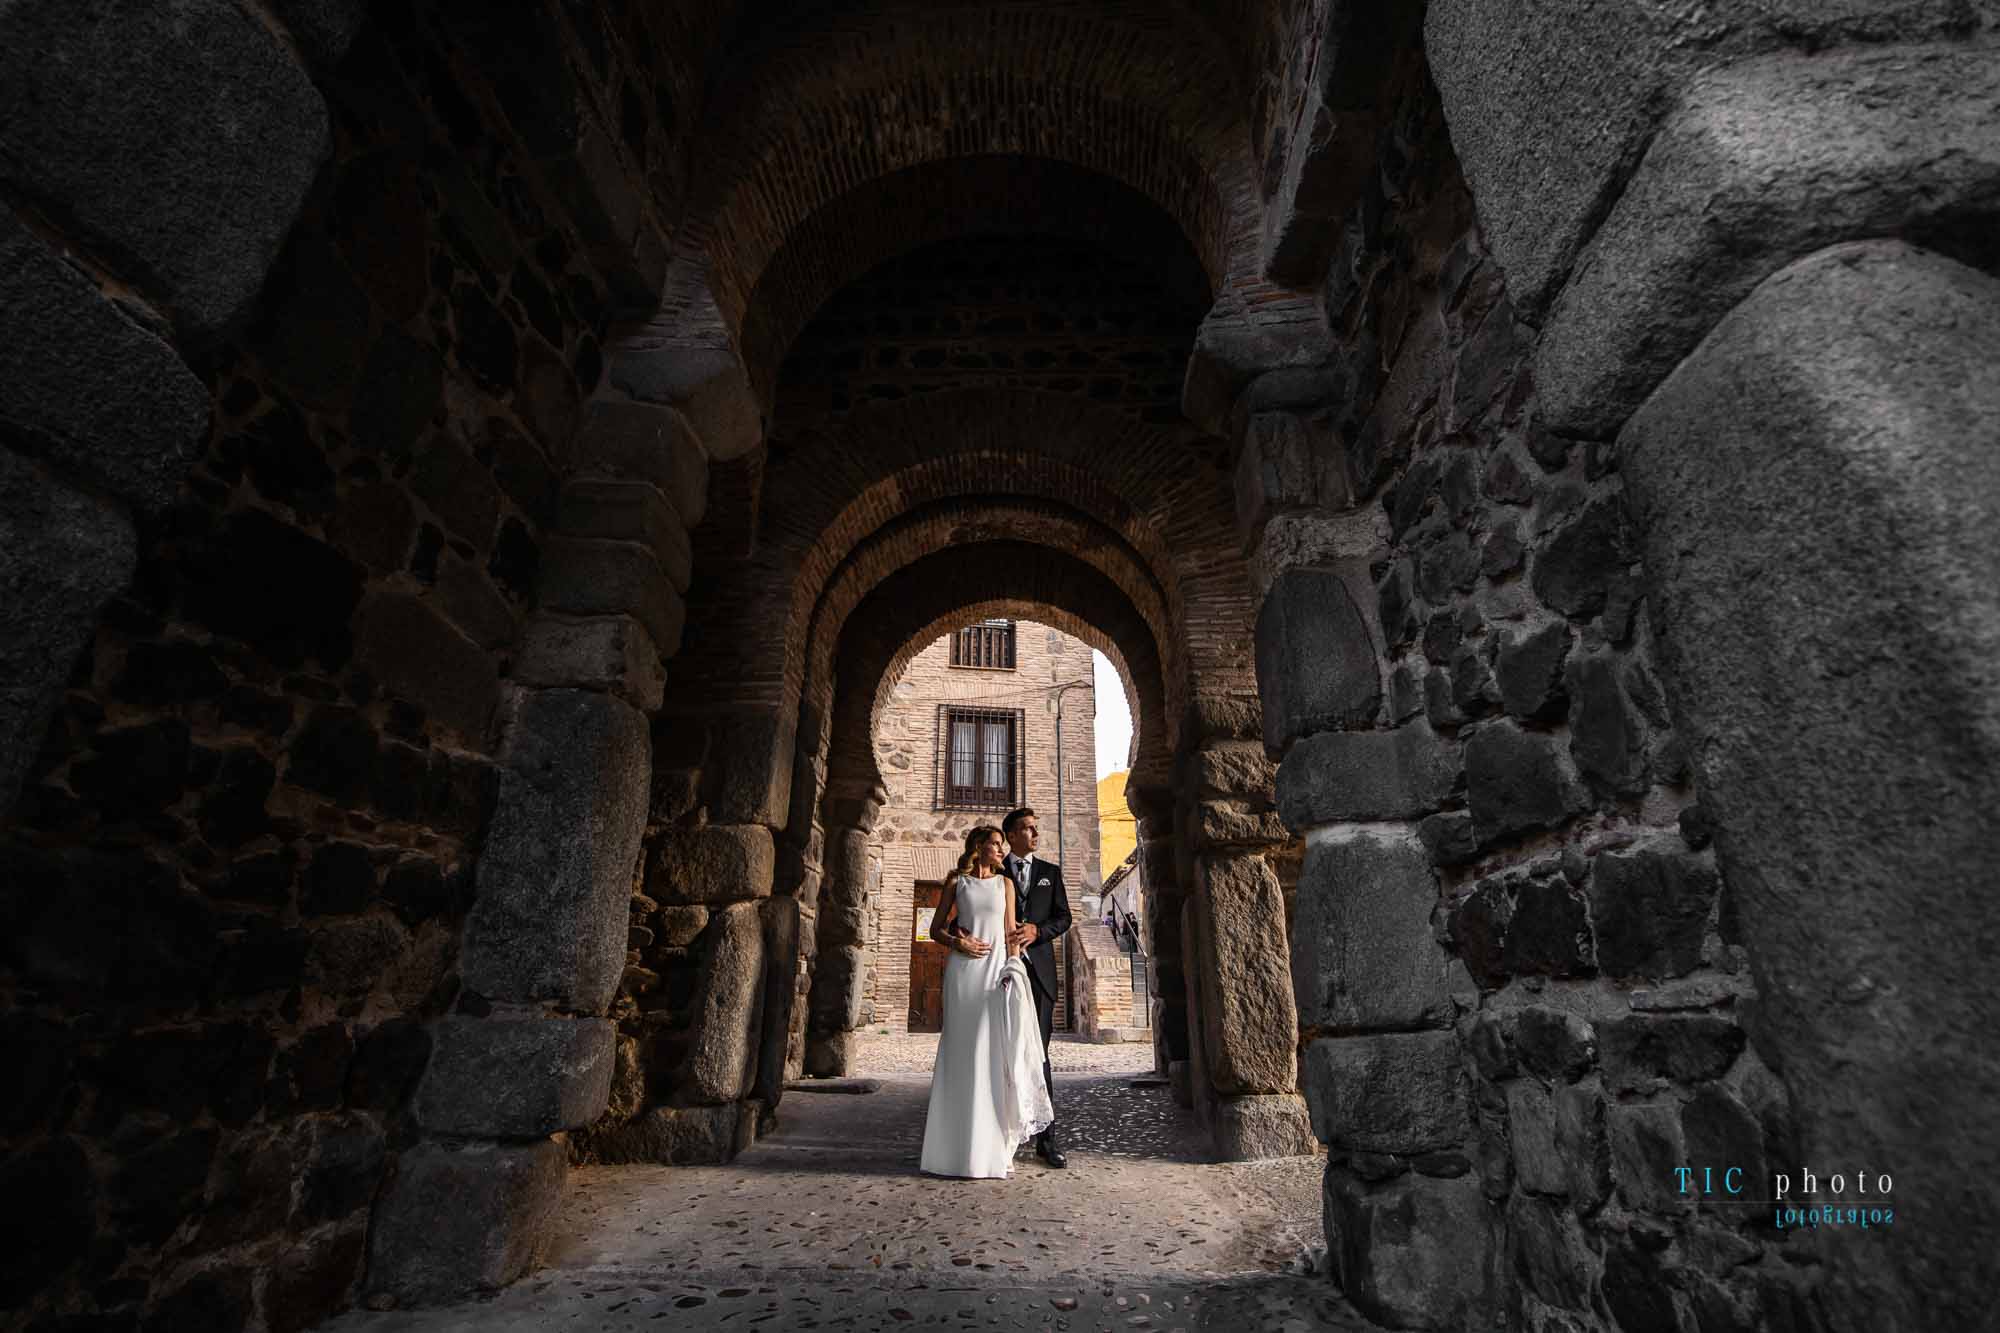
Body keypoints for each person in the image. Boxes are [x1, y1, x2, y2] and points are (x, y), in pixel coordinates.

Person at [918, 825, 1054, 1178]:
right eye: (995, 844)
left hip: (996, 976)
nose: (1000, 849)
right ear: (978, 846)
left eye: (1001, 845)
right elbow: (935, 930)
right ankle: (951, 1151)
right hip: (963, 974)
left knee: (990, 1052)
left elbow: (1010, 933)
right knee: (961, 1052)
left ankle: (990, 1148)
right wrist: (956, 943)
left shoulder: (1005, 884)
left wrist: (1013, 968)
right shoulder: (955, 882)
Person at [991, 806, 1073, 1168]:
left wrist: (1038, 931)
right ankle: (997, 1133)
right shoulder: (993, 870)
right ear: (1010, 836)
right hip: (997, 971)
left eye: (1036, 829)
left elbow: (1064, 918)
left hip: (1039, 974)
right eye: (1027, 829)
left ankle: (1046, 1139)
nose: (1035, 834)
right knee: (996, 1051)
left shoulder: (1049, 874)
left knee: (1038, 1054)